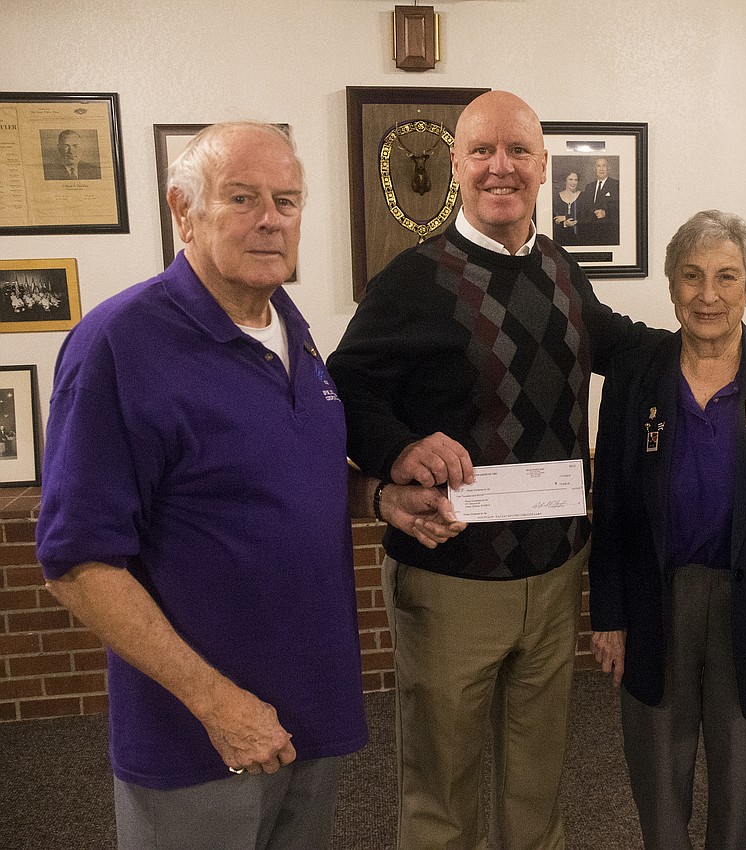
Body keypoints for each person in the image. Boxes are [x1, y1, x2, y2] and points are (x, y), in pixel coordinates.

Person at [34, 121, 459, 848]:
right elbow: (77, 562)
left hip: (309, 710)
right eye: (242, 198)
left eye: (287, 201)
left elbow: (288, 477)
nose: (271, 219)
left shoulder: (290, 328)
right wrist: (217, 704)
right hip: (198, 735)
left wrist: (381, 499)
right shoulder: (119, 345)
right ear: (183, 211)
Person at [327, 90, 660, 850]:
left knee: (537, 779)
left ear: (544, 167)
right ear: (456, 166)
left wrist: (726, 345)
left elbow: (617, 343)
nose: (499, 167)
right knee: (443, 786)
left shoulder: (558, 266)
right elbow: (343, 388)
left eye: (517, 151)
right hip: (452, 580)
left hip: (552, 570)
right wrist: (397, 451)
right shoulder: (411, 280)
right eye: (482, 151)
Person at [589, 210, 746, 849]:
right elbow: (610, 502)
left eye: (726, 277)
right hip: (656, 600)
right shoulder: (636, 376)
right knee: (657, 767)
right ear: (671, 286)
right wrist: (608, 614)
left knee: (745, 768)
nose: (708, 295)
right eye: (692, 277)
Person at [578, 156, 620, 245]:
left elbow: (622, 209)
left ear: (608, 168)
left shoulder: (616, 185)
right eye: (598, 166)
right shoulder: (589, 187)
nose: (601, 169)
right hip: (590, 233)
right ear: (595, 169)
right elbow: (584, 208)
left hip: (609, 233)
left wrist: (606, 213)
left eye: (604, 166)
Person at [552, 170, 581, 245]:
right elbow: (554, 219)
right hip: (560, 238)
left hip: (579, 237)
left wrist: (565, 217)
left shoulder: (583, 196)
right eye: (570, 179)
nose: (573, 182)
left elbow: (585, 214)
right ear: (565, 181)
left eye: (575, 180)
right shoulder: (556, 197)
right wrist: (564, 223)